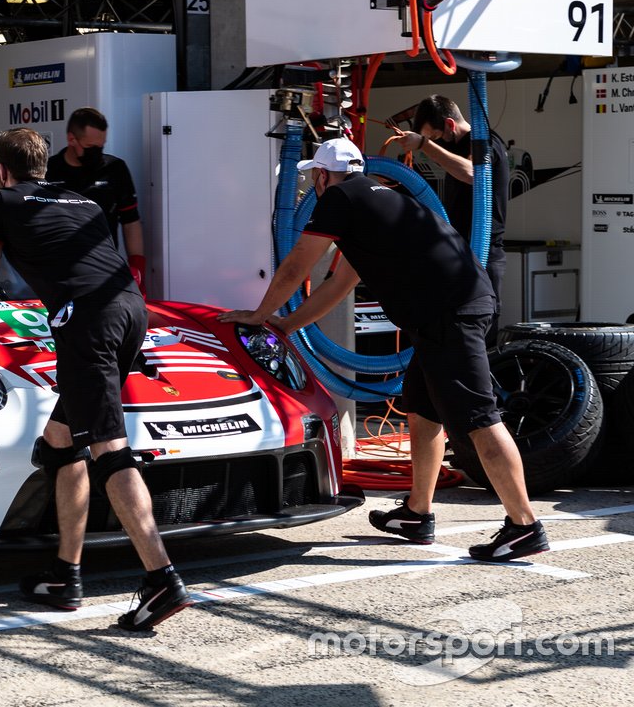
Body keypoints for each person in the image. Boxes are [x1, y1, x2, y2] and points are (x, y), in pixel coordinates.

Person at [218, 137, 547, 562]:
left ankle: (524, 526)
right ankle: (417, 513)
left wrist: (259, 314)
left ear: (321, 176)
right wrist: (285, 323)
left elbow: (298, 264)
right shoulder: (381, 200)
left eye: (313, 179)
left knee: (479, 418)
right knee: (423, 412)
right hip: (447, 310)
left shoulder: (337, 198)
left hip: (449, 314)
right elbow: (341, 282)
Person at [0, 127, 189, 631]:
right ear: (44, 165)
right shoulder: (81, 200)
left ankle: (161, 577)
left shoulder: (0, 201)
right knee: (60, 444)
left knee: (108, 448)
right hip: (131, 312)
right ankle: (65, 574)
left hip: (87, 322)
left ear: (0, 166)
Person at [395, 94, 509, 347]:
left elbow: (472, 173)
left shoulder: (483, 140)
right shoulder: (457, 147)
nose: (436, 144)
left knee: (481, 326)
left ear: (449, 124)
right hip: (461, 251)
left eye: (435, 136)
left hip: (485, 252)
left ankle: (486, 380)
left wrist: (424, 144)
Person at [45, 107, 146, 293]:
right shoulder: (49, 171)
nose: (97, 153)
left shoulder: (115, 169)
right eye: (91, 148)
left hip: (105, 269)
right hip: (58, 272)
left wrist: (137, 267)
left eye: (101, 147)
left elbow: (131, 222)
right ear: (71, 139)